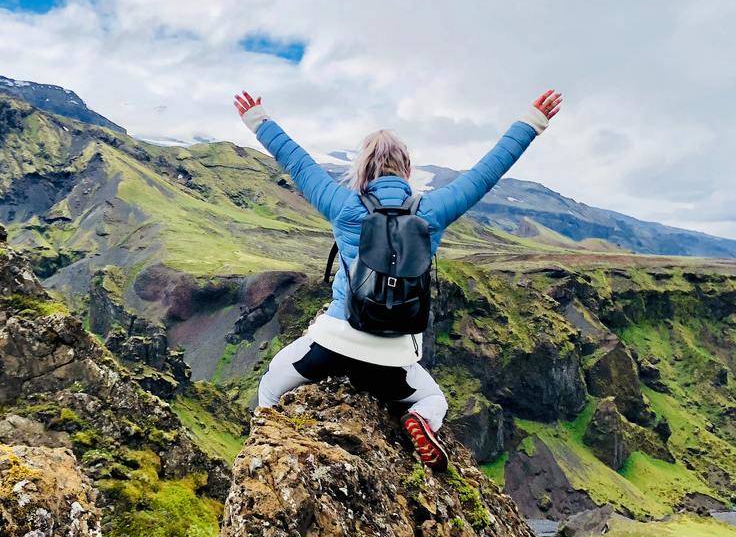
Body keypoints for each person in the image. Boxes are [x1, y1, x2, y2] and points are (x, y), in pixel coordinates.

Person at [235, 88, 562, 468]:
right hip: (393, 358)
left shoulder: (343, 205)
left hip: (333, 344)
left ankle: (266, 457)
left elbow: (297, 162)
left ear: (363, 170)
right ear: (407, 170)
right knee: (433, 399)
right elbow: (486, 173)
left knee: (271, 387)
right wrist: (532, 122)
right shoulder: (432, 210)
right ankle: (419, 420)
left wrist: (257, 120)